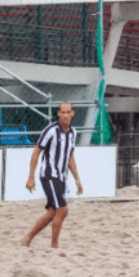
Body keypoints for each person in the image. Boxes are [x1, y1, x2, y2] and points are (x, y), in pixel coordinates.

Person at [21, 102, 84, 249]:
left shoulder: (73, 132)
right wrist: (31, 177)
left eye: (68, 112)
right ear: (58, 114)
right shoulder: (51, 130)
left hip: (61, 177)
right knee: (63, 210)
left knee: (52, 213)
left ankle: (27, 238)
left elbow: (70, 158)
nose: (66, 115)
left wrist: (77, 179)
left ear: (73, 113)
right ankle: (54, 245)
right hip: (49, 175)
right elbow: (36, 151)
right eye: (63, 112)